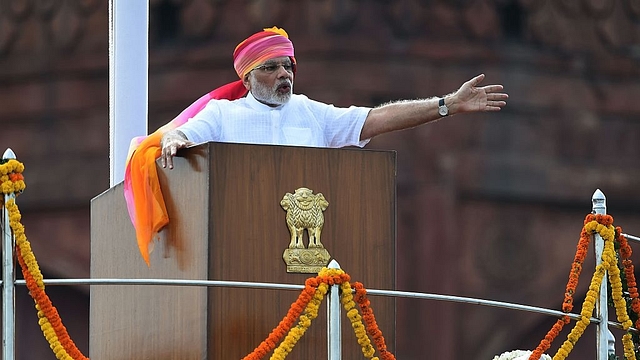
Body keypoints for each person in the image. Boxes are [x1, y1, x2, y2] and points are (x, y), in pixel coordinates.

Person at [125, 26, 508, 265]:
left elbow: (374, 118)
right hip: (238, 250)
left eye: (288, 66)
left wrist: (445, 105)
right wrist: (174, 138)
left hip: (313, 254)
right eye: (271, 68)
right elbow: (186, 133)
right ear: (247, 77)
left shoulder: (311, 113)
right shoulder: (224, 115)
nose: (284, 75)